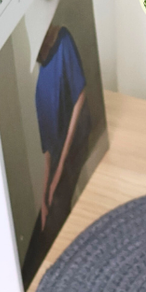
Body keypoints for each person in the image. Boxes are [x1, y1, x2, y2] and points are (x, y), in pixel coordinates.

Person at [34, 20, 89, 247]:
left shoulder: (63, 39)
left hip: (74, 141)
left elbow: (80, 96)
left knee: (57, 209)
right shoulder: (40, 85)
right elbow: (47, 148)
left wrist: (58, 178)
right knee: (44, 216)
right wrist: (44, 192)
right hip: (57, 155)